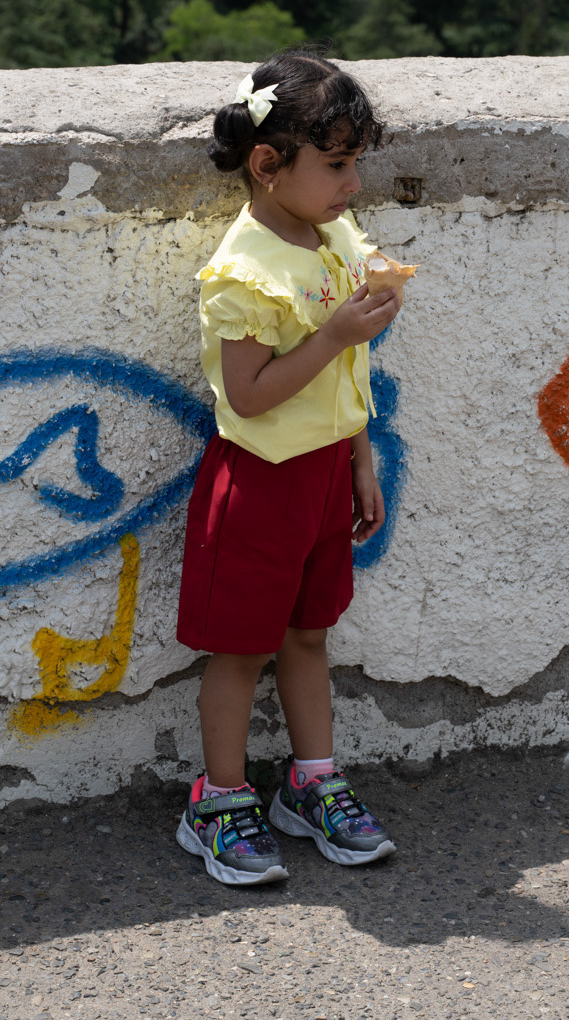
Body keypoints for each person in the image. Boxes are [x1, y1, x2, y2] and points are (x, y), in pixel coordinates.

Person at [174, 51, 400, 886]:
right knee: (239, 650)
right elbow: (249, 394)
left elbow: (351, 374)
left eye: (355, 164)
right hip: (259, 484)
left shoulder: (335, 238)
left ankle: (310, 782)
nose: (352, 185)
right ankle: (217, 799)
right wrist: (336, 333)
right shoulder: (246, 273)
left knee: (309, 633)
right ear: (268, 165)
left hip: (324, 474)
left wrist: (360, 458)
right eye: (336, 165)